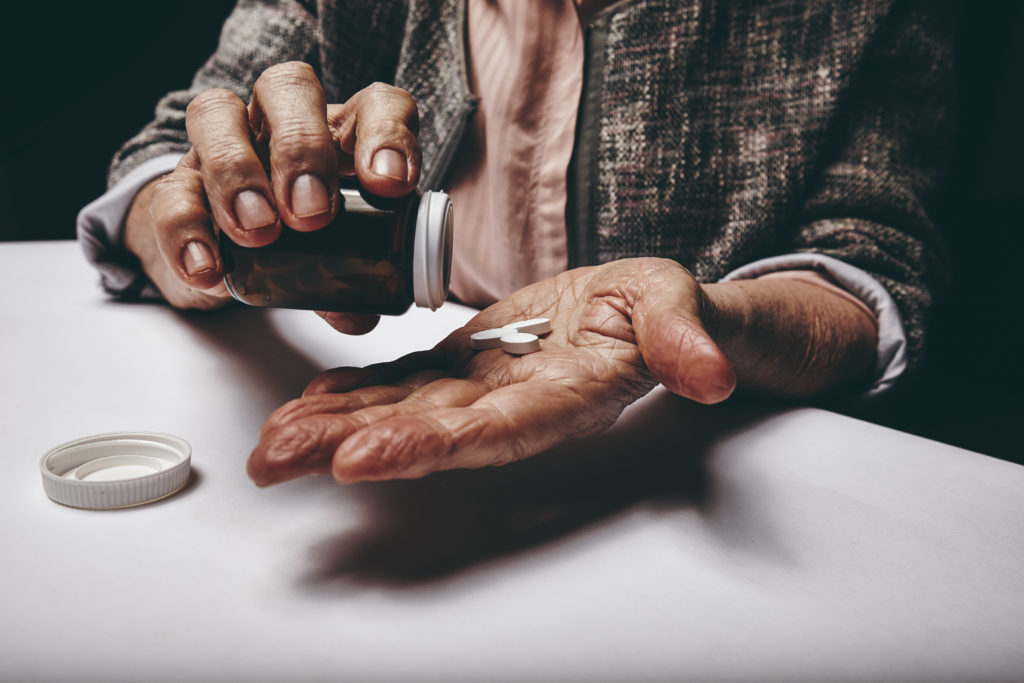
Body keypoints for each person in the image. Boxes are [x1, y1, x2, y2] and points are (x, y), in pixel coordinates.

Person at [77, 1, 952, 485]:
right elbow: (168, 152)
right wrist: (191, 221)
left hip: (688, 471)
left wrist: (711, 318)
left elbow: (869, 259)